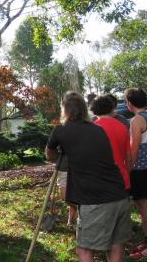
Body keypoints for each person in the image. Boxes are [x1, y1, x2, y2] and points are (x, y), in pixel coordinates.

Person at [46, 92, 130, 262]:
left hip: (95, 200)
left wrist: (63, 150)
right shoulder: (98, 129)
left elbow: (50, 155)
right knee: (115, 246)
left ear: (65, 109)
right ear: (84, 109)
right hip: (120, 195)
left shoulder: (61, 129)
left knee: (84, 250)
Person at [125, 88, 147, 258]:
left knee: (144, 206)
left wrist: (128, 168)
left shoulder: (136, 120)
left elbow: (134, 149)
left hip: (141, 170)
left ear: (130, 103)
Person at [90, 95, 132, 191]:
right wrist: (127, 174)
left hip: (101, 182)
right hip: (122, 180)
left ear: (94, 109)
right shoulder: (122, 126)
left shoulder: (92, 129)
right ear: (111, 108)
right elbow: (128, 157)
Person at [56, 153, 77, 226]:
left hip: (77, 167)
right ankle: (80, 208)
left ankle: (70, 221)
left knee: (73, 195)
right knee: (65, 197)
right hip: (63, 168)